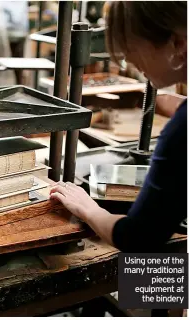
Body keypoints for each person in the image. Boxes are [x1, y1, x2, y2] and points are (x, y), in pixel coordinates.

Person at [50, 1, 187, 253]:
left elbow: (138, 237)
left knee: (149, 279)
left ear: (177, 43)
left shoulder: (182, 132)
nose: (129, 60)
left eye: (130, 47)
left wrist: (88, 209)